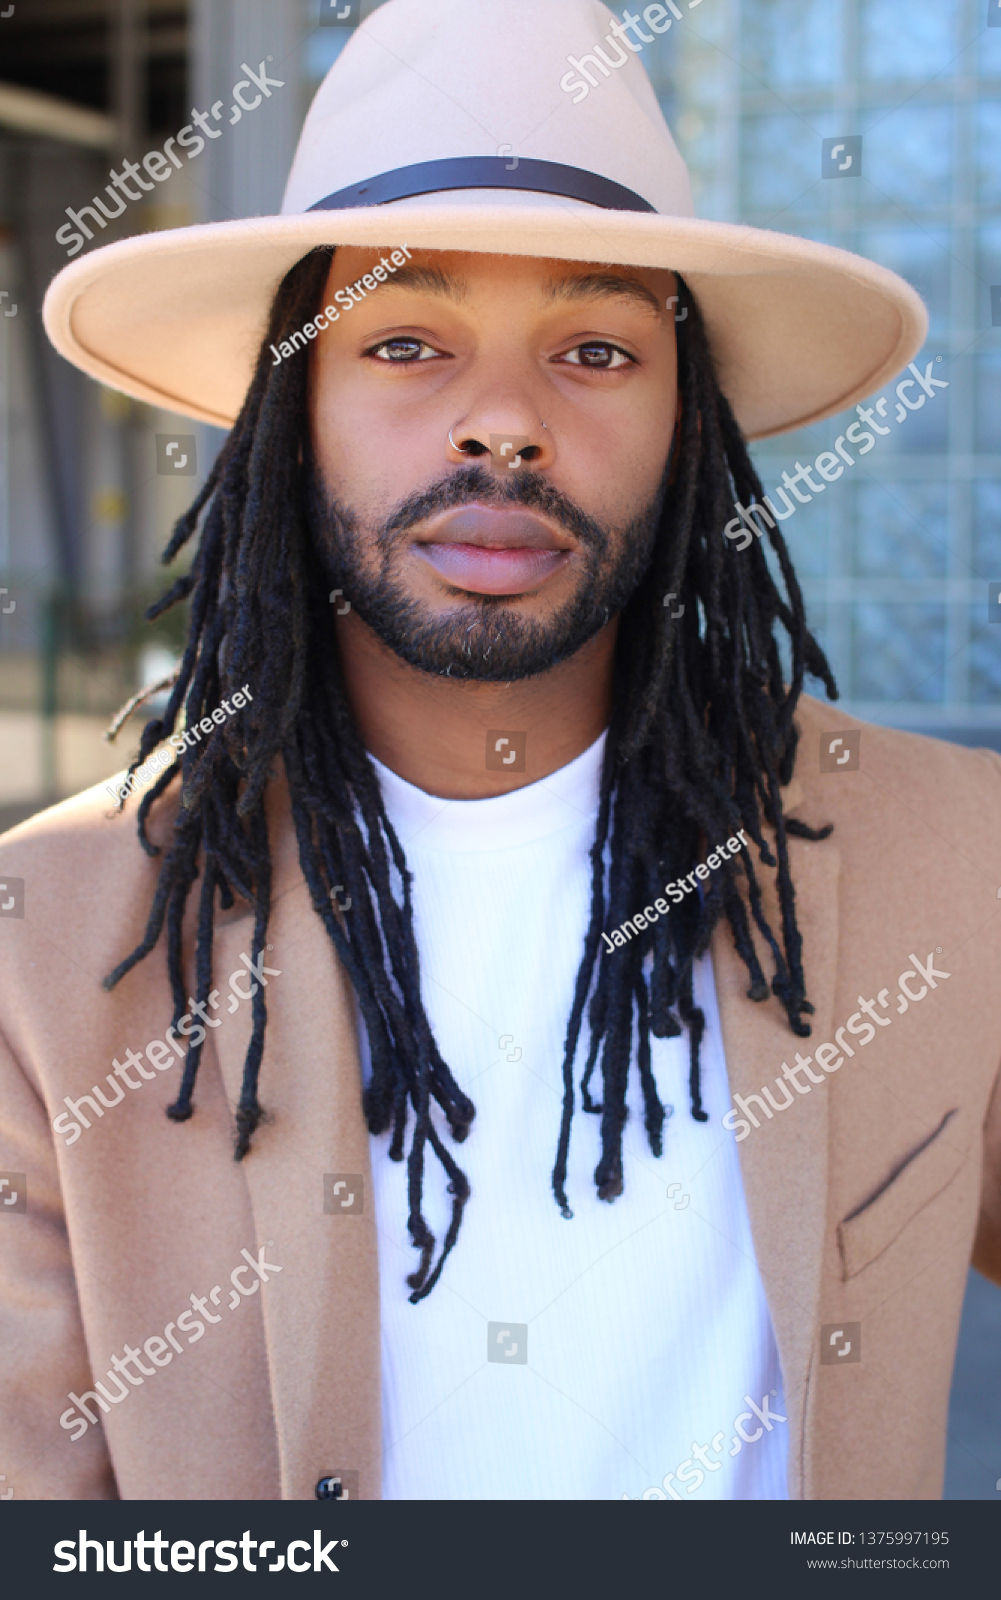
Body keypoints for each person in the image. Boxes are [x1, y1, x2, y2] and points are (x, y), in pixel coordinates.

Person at [3, 0, 999, 1503]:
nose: (501, 428)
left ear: (690, 427)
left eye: (594, 348)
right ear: (294, 417)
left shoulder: (958, 856)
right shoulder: (48, 932)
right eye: (404, 341)